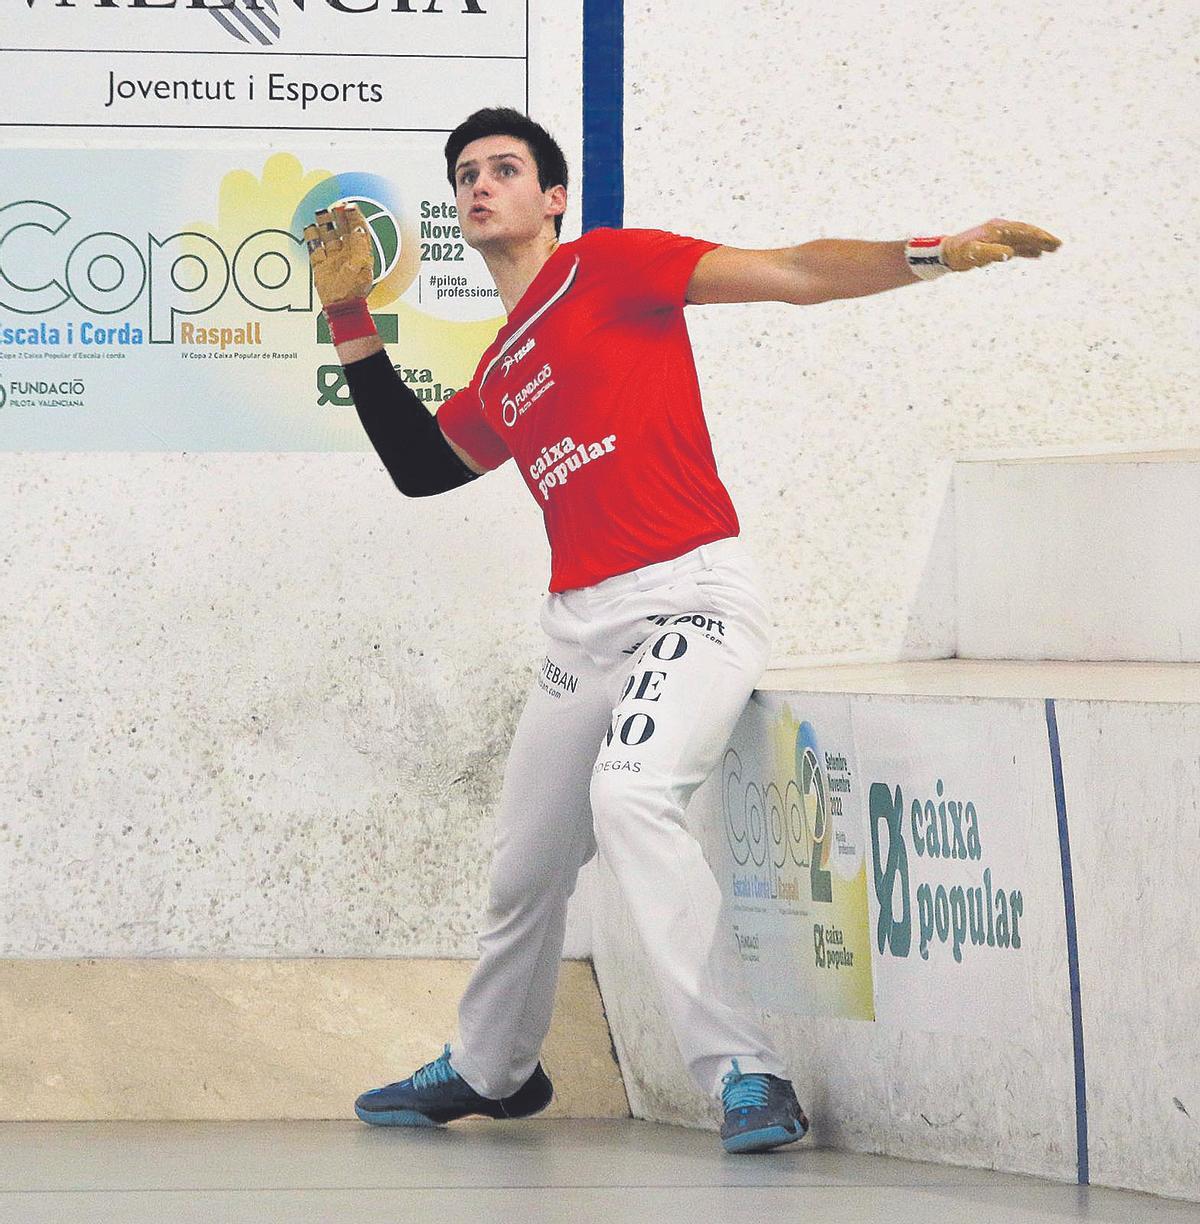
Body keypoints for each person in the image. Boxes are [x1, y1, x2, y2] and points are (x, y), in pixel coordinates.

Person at [305, 107, 1060, 1154]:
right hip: (579, 630)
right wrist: (348, 313)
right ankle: (491, 1067)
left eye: (507, 169)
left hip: (690, 595)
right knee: (526, 864)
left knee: (630, 795)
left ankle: (747, 1075)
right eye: (465, 174)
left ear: (552, 198)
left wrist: (932, 254)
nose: (481, 185)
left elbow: (794, 270)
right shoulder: (500, 369)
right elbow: (424, 465)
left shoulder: (611, 269)